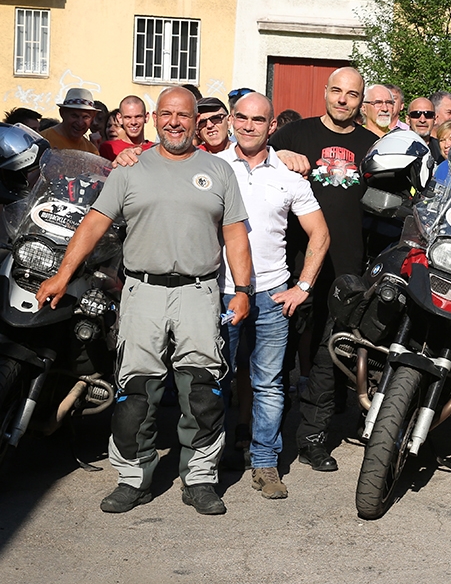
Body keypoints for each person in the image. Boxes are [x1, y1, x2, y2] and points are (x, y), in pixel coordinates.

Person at [35, 87, 253, 516]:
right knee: (135, 392)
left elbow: (235, 235)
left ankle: (200, 479)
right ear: (155, 118)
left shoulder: (219, 171)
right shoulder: (130, 169)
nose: (175, 122)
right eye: (167, 114)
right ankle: (133, 478)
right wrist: (62, 274)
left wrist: (243, 290)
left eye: (183, 115)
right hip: (142, 292)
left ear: (196, 121)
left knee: (203, 391)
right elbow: (94, 223)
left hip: (198, 293)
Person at [219, 93, 330, 499]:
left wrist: (303, 286)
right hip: (221, 292)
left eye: (258, 120)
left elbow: (320, 233)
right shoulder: (213, 167)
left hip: (272, 294)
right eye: (242, 118)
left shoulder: (289, 176)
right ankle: (211, 460)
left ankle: (265, 463)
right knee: (216, 380)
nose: (248, 126)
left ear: (272, 126)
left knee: (268, 384)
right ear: (232, 121)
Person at [269, 66, 379, 472]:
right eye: (337, 91)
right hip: (290, 266)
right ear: (325, 92)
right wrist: (278, 155)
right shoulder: (293, 135)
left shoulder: (372, 146)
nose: (343, 100)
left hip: (346, 270)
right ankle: (264, 438)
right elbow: (253, 162)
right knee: (278, 357)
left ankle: (313, 440)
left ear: (361, 100)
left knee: (327, 358)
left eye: (352, 94)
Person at [40, 88, 100, 154]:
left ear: (93, 117)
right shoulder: (42, 141)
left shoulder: (91, 150)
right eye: (74, 116)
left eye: (85, 117)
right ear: (62, 113)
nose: (80, 123)